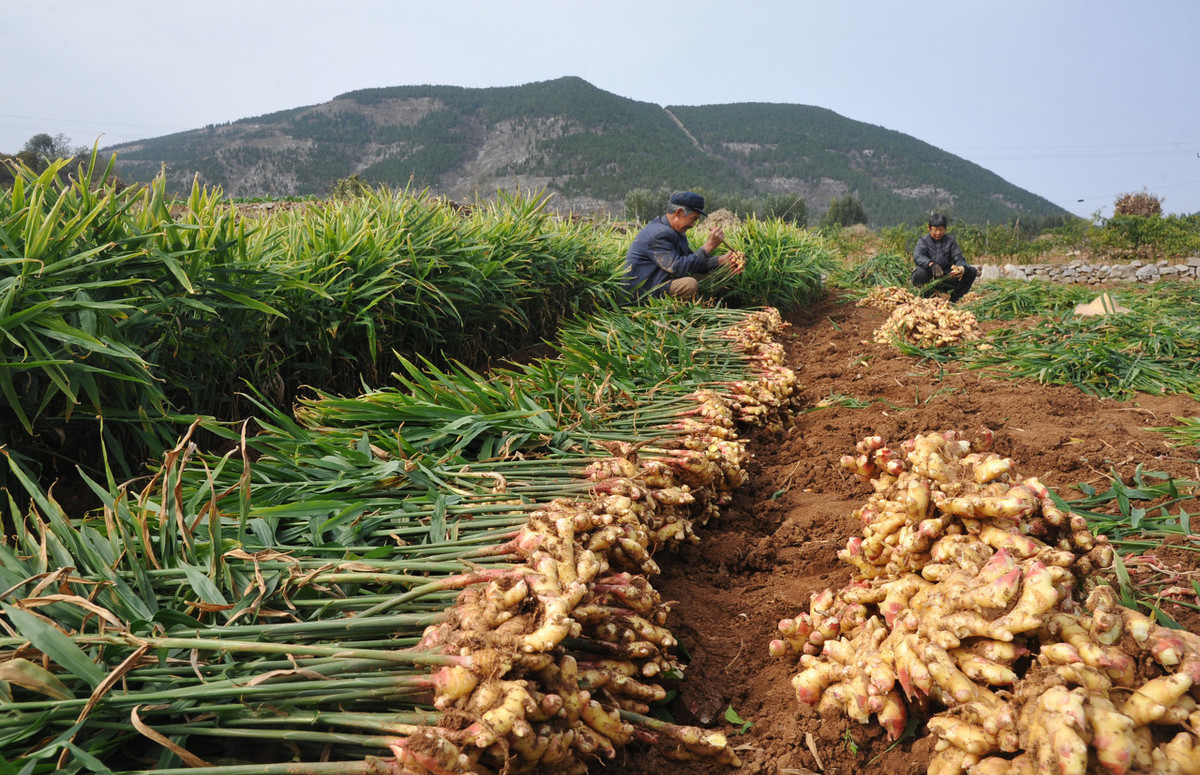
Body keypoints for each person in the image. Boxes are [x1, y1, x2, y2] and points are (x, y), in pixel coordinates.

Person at [622, 191, 743, 301]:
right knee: (689, 285)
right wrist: (708, 246)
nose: (693, 225)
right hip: (641, 292)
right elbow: (679, 268)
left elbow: (691, 262)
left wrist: (720, 261)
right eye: (693, 219)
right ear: (679, 212)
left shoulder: (675, 232)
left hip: (659, 282)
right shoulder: (659, 233)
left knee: (710, 277)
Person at [911, 213, 978, 303]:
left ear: (945, 229)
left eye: (941, 230)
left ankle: (955, 299)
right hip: (929, 275)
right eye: (935, 230)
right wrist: (931, 264)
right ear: (929, 229)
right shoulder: (923, 241)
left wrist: (961, 268)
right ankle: (925, 298)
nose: (938, 233)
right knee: (920, 272)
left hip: (945, 275)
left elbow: (959, 257)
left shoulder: (950, 242)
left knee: (971, 271)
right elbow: (918, 256)